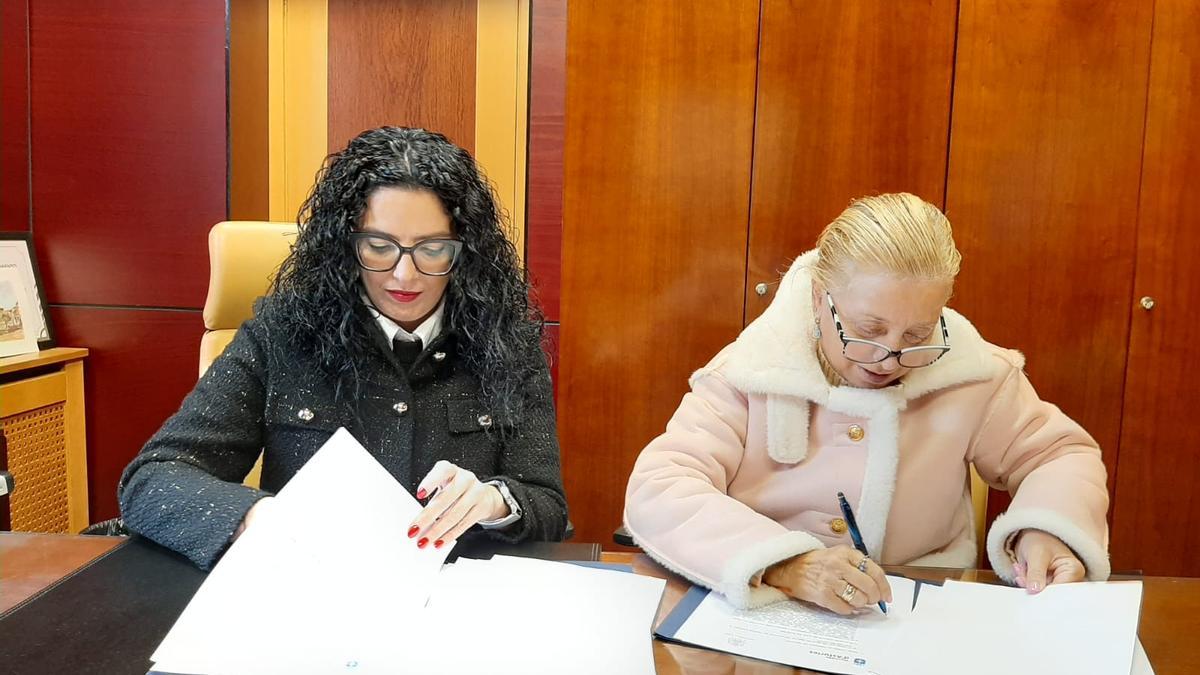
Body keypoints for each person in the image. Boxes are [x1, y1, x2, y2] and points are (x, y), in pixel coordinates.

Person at [624, 193, 1109, 612]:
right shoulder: (751, 370)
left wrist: (1049, 532)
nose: (890, 358)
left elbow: (1059, 455)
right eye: (868, 330)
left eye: (918, 334)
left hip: (924, 611)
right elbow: (661, 488)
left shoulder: (973, 373)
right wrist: (786, 562)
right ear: (820, 299)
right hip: (773, 613)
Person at [119, 127, 567, 570]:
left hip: (458, 602)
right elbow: (153, 479)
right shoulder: (282, 333)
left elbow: (548, 508)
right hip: (308, 596)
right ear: (344, 244)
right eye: (378, 246)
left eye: (432, 250)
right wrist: (261, 517)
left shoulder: (508, 342)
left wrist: (495, 500)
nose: (404, 276)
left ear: (463, 252)